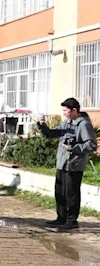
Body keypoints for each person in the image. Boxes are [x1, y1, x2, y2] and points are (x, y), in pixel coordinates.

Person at [37, 98, 98, 230]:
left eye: (66, 110)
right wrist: (42, 125)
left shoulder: (83, 125)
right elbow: (53, 133)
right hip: (62, 164)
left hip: (74, 166)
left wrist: (74, 147)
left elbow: (92, 144)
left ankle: (71, 221)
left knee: (72, 194)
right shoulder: (67, 123)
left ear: (74, 110)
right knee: (60, 192)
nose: (64, 113)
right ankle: (61, 218)